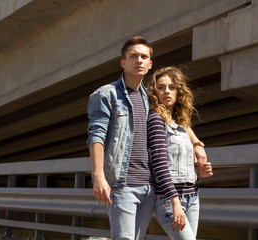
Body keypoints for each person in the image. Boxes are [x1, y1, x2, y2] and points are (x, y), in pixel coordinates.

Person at [87, 37, 207, 240]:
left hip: (150, 187)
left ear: (150, 64)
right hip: (123, 185)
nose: (139, 60)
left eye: (144, 57)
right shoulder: (106, 95)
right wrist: (98, 175)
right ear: (123, 62)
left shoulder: (150, 99)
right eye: (133, 56)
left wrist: (197, 143)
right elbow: (96, 136)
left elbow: (177, 119)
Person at [147, 66, 213, 240]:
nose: (166, 91)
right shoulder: (155, 119)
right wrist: (175, 203)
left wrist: (198, 173)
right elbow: (159, 164)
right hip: (170, 200)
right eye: (161, 87)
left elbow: (177, 163)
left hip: (192, 197)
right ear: (154, 92)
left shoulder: (180, 123)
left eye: (171, 87)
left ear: (178, 91)